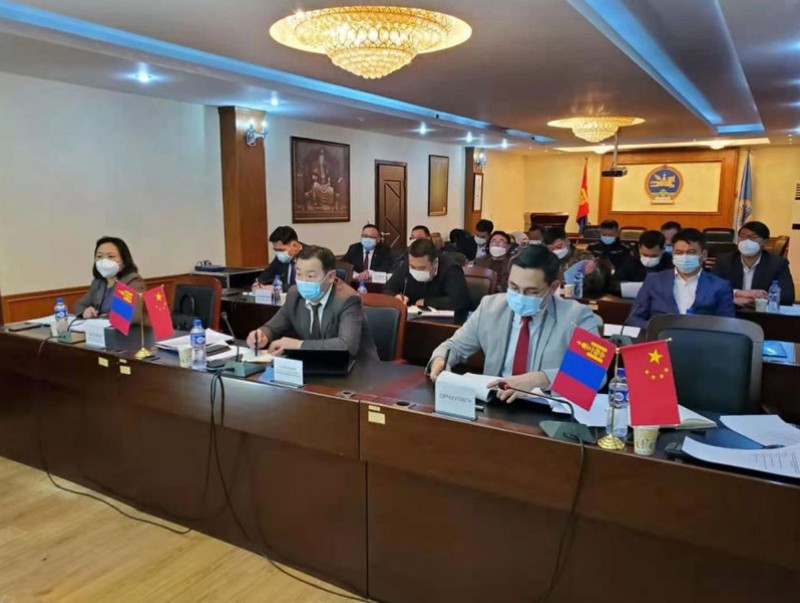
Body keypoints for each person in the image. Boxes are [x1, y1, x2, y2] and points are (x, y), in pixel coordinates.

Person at [427, 245, 602, 402]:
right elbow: (453, 346)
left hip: (546, 409)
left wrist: (540, 379)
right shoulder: (490, 307)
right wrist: (440, 359)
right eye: (514, 288)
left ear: (553, 287)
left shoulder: (578, 316)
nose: (520, 297)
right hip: (495, 403)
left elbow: (594, 374)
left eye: (531, 291)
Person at [246, 245, 378, 361]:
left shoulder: (348, 300)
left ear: (330, 276)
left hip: (356, 369)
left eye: (310, 276)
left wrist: (299, 345)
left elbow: (346, 346)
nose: (303, 281)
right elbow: (273, 327)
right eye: (298, 274)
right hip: (315, 364)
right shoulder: (294, 295)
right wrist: (262, 334)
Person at [627, 228, 735, 328]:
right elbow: (634, 318)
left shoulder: (720, 286)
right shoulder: (654, 280)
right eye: (679, 252)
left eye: (691, 252)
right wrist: (656, 329)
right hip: (660, 338)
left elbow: (727, 325)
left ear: (704, 255)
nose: (684, 257)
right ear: (672, 254)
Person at [385, 238, 470, 322]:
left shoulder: (451, 268)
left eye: (421, 268)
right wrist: (396, 297)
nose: (416, 270)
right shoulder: (409, 264)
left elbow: (459, 301)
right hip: (413, 319)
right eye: (412, 267)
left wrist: (426, 302)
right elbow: (388, 287)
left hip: (444, 322)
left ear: (434, 262)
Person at [712, 221, 794, 306]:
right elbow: (710, 289)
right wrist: (737, 293)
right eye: (742, 236)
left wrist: (755, 299)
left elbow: (787, 297)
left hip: (762, 311)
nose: (747, 241)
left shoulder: (777, 264)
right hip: (732, 310)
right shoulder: (725, 260)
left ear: (765, 242)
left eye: (753, 237)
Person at [75, 236, 146, 319]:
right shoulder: (98, 282)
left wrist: (102, 317)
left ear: (124, 261)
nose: (104, 261)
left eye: (111, 256)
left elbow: (132, 313)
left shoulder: (133, 281)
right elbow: (79, 305)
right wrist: (86, 311)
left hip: (122, 327)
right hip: (99, 326)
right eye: (99, 256)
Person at [543, 227, 604, 297]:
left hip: (580, 297)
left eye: (559, 246)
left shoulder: (583, 256)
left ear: (567, 241)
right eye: (551, 248)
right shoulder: (545, 260)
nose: (556, 250)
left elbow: (594, 283)